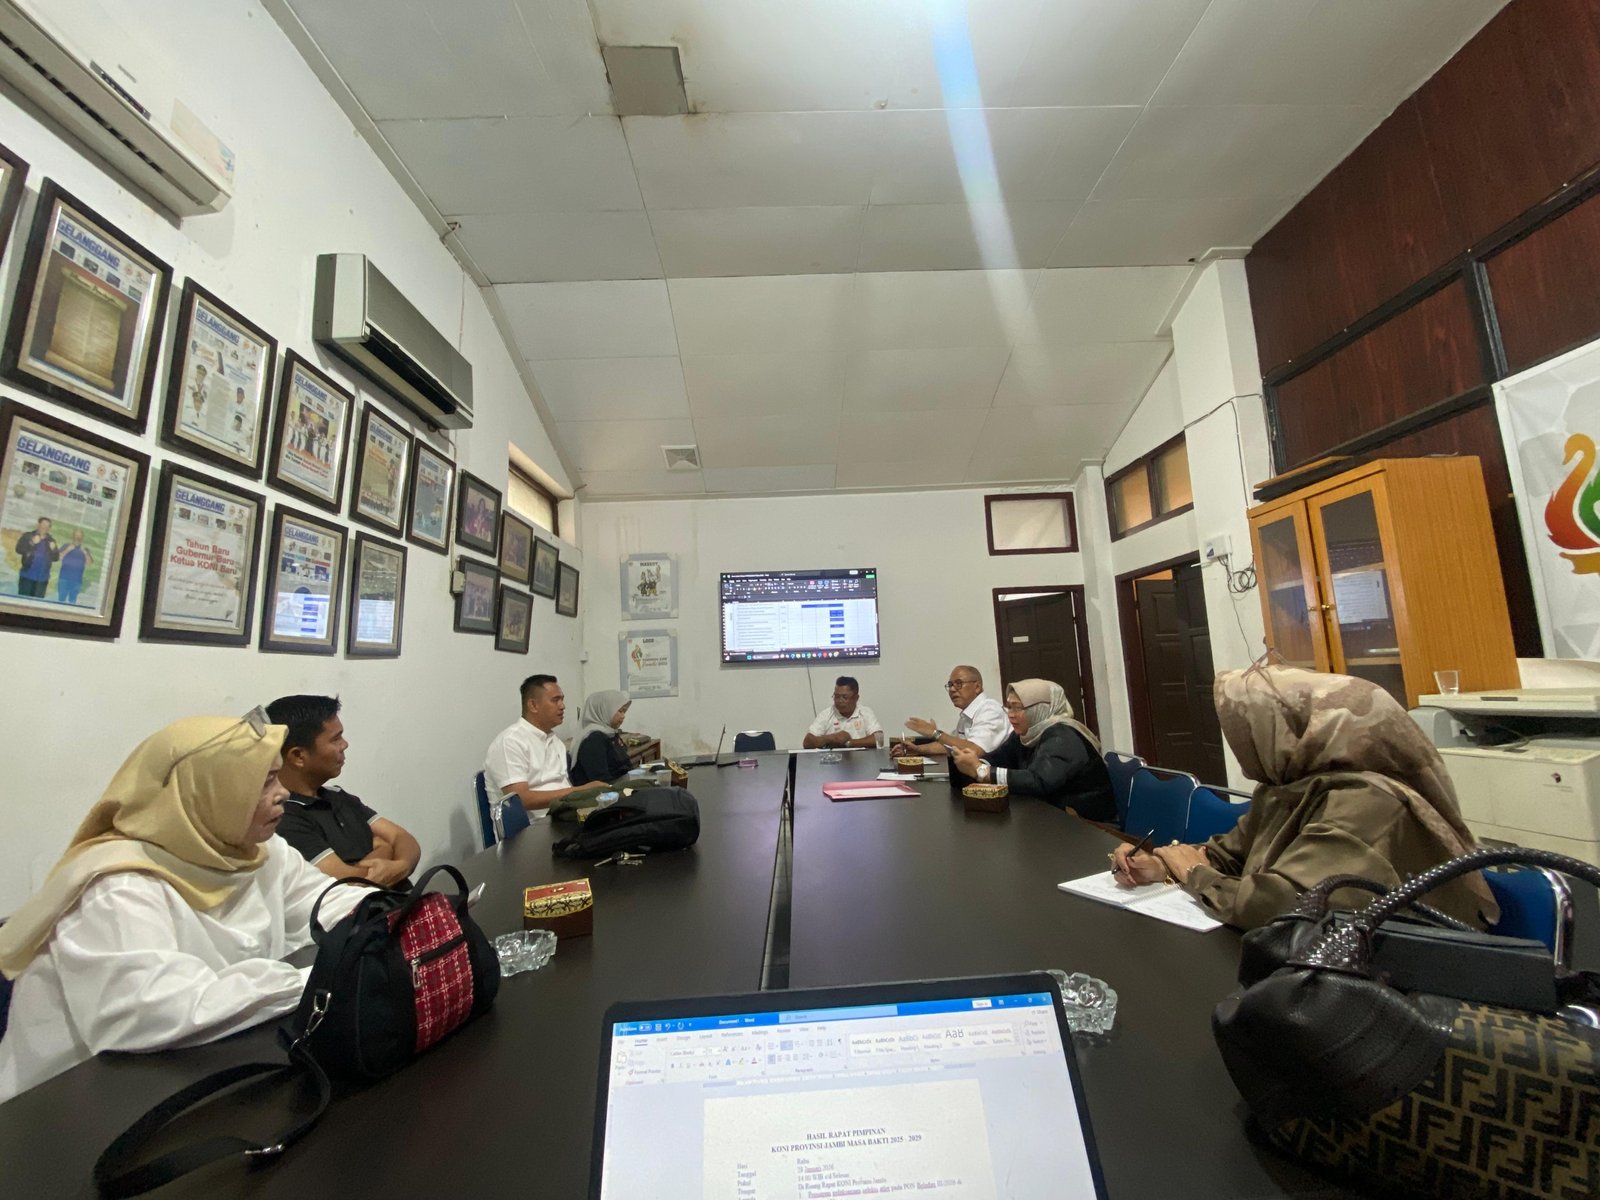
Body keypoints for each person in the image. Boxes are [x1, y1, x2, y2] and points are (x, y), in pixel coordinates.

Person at [0, 713, 367, 1101]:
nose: (282, 794)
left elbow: (327, 901)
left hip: (188, 1072)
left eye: (276, 776)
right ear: (204, 794)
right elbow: (161, 1012)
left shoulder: (257, 851)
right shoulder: (119, 886)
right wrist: (315, 980)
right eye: (262, 782)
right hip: (65, 1103)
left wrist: (398, 914)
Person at [1111, 666, 1499, 931]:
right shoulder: (1286, 788)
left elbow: (1288, 906)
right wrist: (1160, 863)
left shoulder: (1371, 804)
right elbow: (1230, 854)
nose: (1241, 745)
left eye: (1249, 731)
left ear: (1293, 732)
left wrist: (1194, 874)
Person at [264, 695, 420, 887]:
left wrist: (401, 865)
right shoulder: (283, 817)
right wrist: (384, 849)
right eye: (335, 739)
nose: (344, 745)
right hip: (366, 915)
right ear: (298, 756)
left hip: (406, 908)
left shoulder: (337, 796)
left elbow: (403, 839)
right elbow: (345, 883)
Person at [949, 680, 1115, 820]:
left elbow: (1038, 781)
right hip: (1050, 817)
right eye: (1009, 707)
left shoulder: (1063, 737)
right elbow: (998, 759)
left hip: (1086, 825)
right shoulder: (1027, 733)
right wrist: (968, 762)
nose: (1011, 715)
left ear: (1039, 708)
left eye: (1017, 708)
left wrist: (982, 771)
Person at [485, 675, 608, 813]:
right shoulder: (510, 742)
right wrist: (579, 791)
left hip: (563, 815)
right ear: (533, 705)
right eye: (555, 700)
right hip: (531, 829)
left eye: (562, 700)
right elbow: (521, 799)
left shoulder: (554, 741)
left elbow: (561, 785)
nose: (563, 706)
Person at [891, 665, 1009, 758]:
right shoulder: (967, 715)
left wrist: (935, 733)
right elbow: (950, 747)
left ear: (977, 687)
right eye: (950, 685)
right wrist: (917, 750)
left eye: (959, 684)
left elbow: (974, 750)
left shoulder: (990, 710)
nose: (952, 689)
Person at [570, 690, 634, 786]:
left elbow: (626, 765)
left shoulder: (611, 733)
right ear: (604, 711)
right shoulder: (593, 740)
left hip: (620, 786)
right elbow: (601, 782)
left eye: (624, 711)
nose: (623, 716)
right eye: (620, 711)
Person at [803, 677, 883, 749]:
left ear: (856, 698)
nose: (839, 701)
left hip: (861, 761)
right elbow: (807, 742)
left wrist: (849, 743)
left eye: (845, 697)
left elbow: (879, 740)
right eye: (836, 696)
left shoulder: (865, 712)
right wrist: (831, 738)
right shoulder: (827, 714)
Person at [14, 516, 57, 598]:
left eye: (47, 526)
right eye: (43, 524)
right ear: (38, 525)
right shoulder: (27, 536)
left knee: (36, 605)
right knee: (23, 603)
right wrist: (32, 543)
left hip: (42, 580)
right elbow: (18, 549)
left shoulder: (51, 540)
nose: (45, 527)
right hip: (27, 576)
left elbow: (55, 558)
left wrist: (54, 550)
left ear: (49, 528)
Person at [54, 528, 91, 605]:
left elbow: (89, 563)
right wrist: (67, 550)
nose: (78, 537)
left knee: (72, 602)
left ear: (82, 537)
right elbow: (58, 558)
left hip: (77, 580)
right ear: (73, 536)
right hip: (64, 578)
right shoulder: (66, 545)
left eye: (80, 535)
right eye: (76, 535)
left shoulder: (85, 549)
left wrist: (85, 553)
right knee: (60, 601)